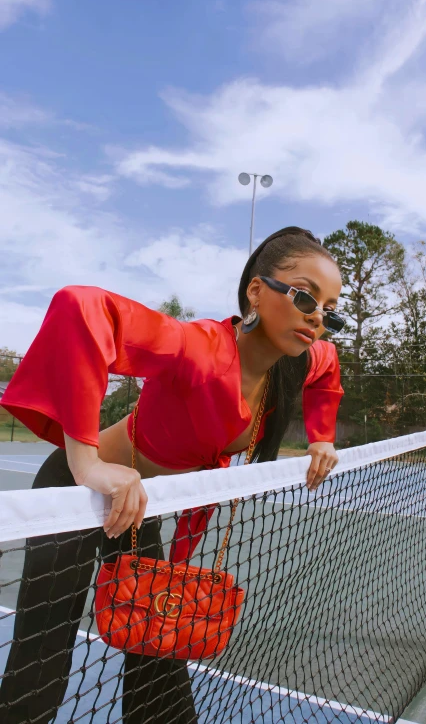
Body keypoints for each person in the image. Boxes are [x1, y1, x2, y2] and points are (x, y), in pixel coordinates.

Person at [0, 226, 345, 724]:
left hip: (138, 504)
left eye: (327, 308)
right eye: (304, 296)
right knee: (46, 636)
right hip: (75, 491)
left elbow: (328, 372)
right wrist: (88, 463)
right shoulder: (198, 347)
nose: (317, 316)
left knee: (157, 629)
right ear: (256, 291)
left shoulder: (299, 362)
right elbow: (82, 306)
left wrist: (321, 437)